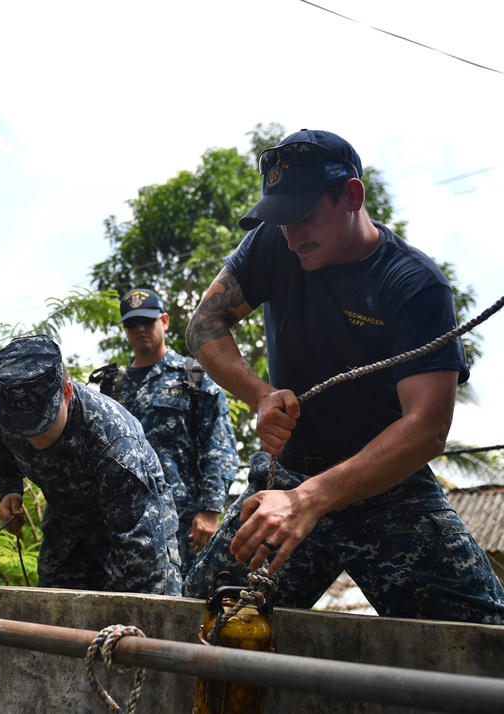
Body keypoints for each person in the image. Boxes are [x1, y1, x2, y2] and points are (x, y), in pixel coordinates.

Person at [181, 129, 504, 624]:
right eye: (281, 221)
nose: (291, 238)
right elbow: (204, 324)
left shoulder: (415, 286)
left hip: (387, 492)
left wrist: (308, 500)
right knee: (199, 621)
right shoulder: (276, 242)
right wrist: (260, 395)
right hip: (285, 479)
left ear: (352, 196)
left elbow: (427, 427)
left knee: (480, 643)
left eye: (305, 218)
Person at [0, 334, 181, 596]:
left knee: (146, 616)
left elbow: (140, 552)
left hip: (134, 527)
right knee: (55, 619)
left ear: (66, 392)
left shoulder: (113, 441)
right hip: (67, 526)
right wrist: (9, 488)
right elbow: (1, 449)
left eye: (42, 423)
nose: (31, 435)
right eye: (21, 428)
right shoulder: (6, 413)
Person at [114, 287, 239, 576]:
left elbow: (218, 445)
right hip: (126, 523)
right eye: (132, 323)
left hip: (184, 522)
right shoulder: (113, 387)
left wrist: (210, 509)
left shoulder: (192, 376)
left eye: (147, 320)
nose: (140, 328)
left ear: (165, 321)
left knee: (186, 604)